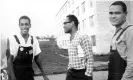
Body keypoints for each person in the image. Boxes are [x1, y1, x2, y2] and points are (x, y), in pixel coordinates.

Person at [8, 15, 49, 80]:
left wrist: (44, 75)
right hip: (17, 74)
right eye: (22, 24)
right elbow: (10, 60)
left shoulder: (33, 40)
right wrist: (13, 77)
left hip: (29, 74)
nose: (24, 27)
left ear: (30, 25)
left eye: (26, 24)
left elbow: (37, 58)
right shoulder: (14, 39)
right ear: (19, 26)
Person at [108, 1, 133, 80]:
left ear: (125, 14)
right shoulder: (117, 32)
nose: (113, 16)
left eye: (117, 13)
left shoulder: (130, 31)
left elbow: (132, 63)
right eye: (111, 13)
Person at [63, 14, 93, 80]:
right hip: (70, 73)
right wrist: (68, 70)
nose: (63, 26)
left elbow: (90, 57)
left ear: (72, 23)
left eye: (65, 23)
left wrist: (88, 75)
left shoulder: (82, 37)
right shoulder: (70, 38)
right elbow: (72, 57)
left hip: (81, 74)